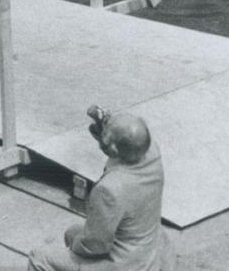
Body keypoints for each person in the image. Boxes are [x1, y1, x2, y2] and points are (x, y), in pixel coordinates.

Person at [28, 110, 170, 271]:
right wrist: (106, 126)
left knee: (39, 257)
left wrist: (76, 241)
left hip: (124, 265)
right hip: (148, 252)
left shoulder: (108, 190)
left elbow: (95, 246)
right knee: (72, 232)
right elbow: (128, 135)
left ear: (114, 151)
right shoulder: (151, 151)